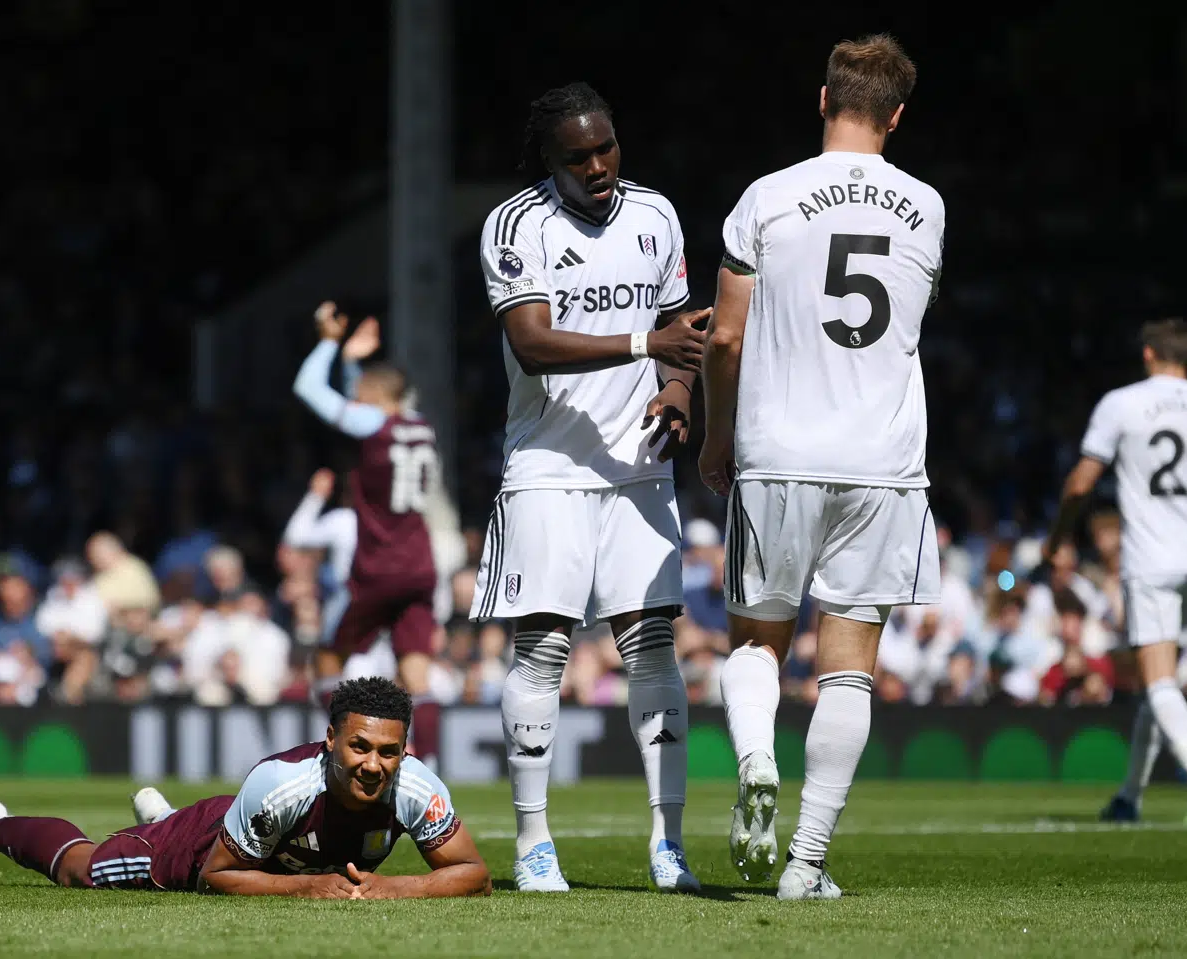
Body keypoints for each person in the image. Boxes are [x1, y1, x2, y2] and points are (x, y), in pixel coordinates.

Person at [699, 34, 942, 900]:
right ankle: (805, 863)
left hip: (780, 451)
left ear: (823, 99)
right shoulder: (928, 205)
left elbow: (724, 335)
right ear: (898, 114)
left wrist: (714, 437)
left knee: (759, 639)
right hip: (881, 460)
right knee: (848, 666)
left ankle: (757, 756)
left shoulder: (766, 198)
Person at [471, 81, 710, 893]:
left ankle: (667, 843)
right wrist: (648, 338)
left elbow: (684, 342)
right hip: (548, 468)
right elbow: (533, 343)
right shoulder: (515, 225)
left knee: (651, 646)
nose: (599, 166)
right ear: (550, 160)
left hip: (639, 466)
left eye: (607, 147)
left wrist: (678, 396)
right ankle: (534, 844)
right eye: (579, 156)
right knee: (542, 649)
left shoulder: (657, 215)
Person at [0, 677, 491, 900]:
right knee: (83, 873)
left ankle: (161, 813)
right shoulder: (281, 786)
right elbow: (216, 876)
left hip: (254, 838)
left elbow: (475, 876)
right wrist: (310, 889)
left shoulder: (415, 785)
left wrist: (392, 889)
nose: (373, 764)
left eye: (388, 751)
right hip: (204, 847)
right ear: (330, 740)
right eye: (359, 747)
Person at [1044, 317, 1187, 824]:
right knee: (1163, 680)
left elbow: (1082, 483)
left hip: (1151, 561)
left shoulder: (1122, 404)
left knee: (1158, 682)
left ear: (1148, 355)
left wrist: (1060, 536)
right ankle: (1130, 796)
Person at [293, 304, 442, 767]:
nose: (352, 394)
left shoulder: (372, 423)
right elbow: (374, 403)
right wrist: (355, 362)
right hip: (421, 565)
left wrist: (328, 343)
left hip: (379, 566)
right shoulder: (421, 426)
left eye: (358, 389)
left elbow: (309, 389)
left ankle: (341, 747)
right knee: (415, 671)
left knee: (327, 658)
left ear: (373, 396)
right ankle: (425, 765)